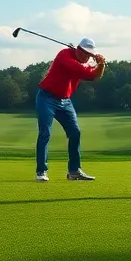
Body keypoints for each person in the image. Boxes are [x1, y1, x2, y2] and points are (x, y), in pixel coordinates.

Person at [35, 39, 107, 182]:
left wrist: (101, 64)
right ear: (78, 50)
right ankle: (41, 171)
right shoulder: (64, 56)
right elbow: (92, 75)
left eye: (90, 55)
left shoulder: (81, 61)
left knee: (75, 133)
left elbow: (97, 76)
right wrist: (98, 63)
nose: (87, 58)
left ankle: (74, 171)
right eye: (86, 54)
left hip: (65, 101)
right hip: (46, 97)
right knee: (45, 133)